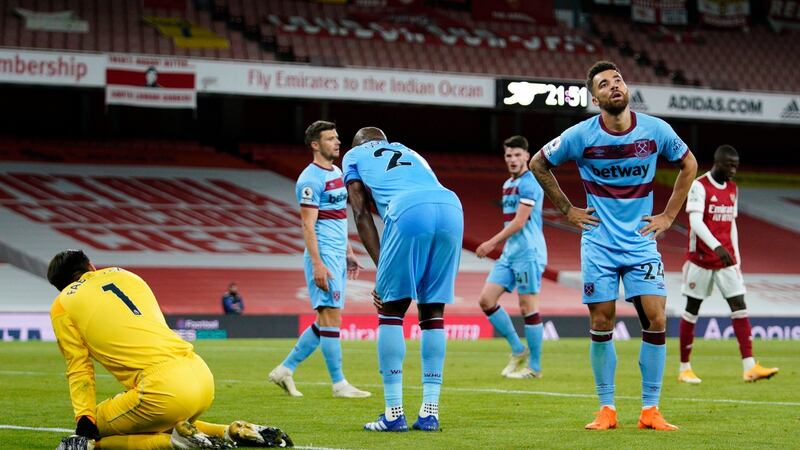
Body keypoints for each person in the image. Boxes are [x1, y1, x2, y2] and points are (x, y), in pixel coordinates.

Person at [529, 61, 698, 431]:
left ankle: (650, 410)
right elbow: (538, 164)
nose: (614, 86)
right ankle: (606, 409)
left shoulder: (656, 130)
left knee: (656, 318)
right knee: (601, 321)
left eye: (618, 80)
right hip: (599, 244)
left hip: (641, 242)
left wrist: (668, 216)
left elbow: (689, 164)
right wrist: (567, 209)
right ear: (595, 98)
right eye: (605, 84)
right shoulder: (581, 135)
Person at [48, 249, 293, 450]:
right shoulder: (127, 275)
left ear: (61, 286)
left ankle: (173, 443)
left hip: (161, 389)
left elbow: (79, 368)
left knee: (92, 434)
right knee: (152, 419)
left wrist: (84, 420)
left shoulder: (63, 304)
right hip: (200, 374)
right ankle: (230, 432)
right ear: (91, 266)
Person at [344, 127, 464, 433]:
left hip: (409, 209)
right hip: (451, 206)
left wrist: (383, 268)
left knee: (391, 310)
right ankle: (430, 413)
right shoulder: (410, 150)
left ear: (360, 144)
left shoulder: (354, 155)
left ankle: (393, 413)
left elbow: (360, 213)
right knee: (433, 312)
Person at [268, 120, 370, 399]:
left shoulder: (336, 172)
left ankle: (285, 369)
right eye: (330, 139)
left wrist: (348, 251)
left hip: (337, 254)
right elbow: (307, 226)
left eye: (337, 137)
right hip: (323, 255)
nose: (337, 142)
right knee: (331, 319)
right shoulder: (310, 179)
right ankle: (339, 384)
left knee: (326, 319)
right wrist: (318, 263)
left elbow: (338, 215)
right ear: (315, 145)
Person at [678, 145, 779, 384]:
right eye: (729, 164)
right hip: (700, 260)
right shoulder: (699, 186)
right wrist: (717, 247)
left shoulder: (733, 189)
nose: (733, 169)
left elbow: (731, 224)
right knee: (692, 310)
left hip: (726, 261)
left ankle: (750, 367)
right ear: (717, 162)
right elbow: (695, 222)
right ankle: (684, 368)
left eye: (736, 165)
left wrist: (736, 257)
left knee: (740, 306)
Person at [475, 135, 548, 379]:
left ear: (527, 156)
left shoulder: (530, 182)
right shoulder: (508, 184)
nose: (513, 159)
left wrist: (490, 243)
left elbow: (519, 222)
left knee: (528, 307)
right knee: (486, 300)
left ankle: (534, 368)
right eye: (509, 155)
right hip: (511, 253)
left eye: (518, 155)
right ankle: (518, 349)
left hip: (528, 252)